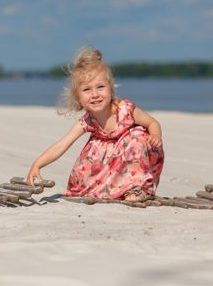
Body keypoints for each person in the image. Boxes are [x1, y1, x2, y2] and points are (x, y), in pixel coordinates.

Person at [26, 47, 164, 202]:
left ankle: (138, 190)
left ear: (110, 89)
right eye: (87, 90)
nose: (95, 94)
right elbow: (62, 144)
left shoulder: (125, 109)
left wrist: (155, 135)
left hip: (134, 158)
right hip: (107, 163)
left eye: (100, 87)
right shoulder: (87, 120)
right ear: (78, 98)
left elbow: (152, 122)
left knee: (136, 137)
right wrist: (37, 164)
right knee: (88, 159)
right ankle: (105, 190)